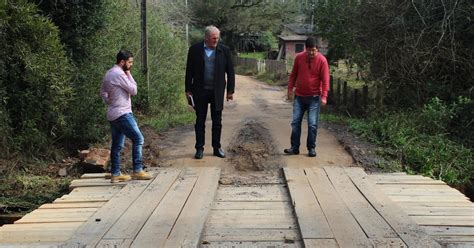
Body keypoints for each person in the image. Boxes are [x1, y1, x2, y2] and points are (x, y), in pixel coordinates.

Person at [100, 50, 153, 183]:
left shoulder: (109, 73)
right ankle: (137, 170)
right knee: (138, 139)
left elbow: (103, 92)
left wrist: (110, 102)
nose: (131, 65)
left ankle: (116, 174)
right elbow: (134, 90)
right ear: (122, 62)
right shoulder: (119, 74)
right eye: (130, 62)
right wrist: (128, 73)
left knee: (117, 145)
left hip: (113, 113)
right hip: (122, 113)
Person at [185, 25, 235, 159]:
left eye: (217, 38)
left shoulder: (224, 51)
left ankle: (216, 147)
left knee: (217, 121)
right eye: (213, 38)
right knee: (200, 121)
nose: (216, 41)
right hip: (200, 91)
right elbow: (189, 71)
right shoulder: (195, 50)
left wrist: (230, 91)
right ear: (206, 38)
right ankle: (199, 148)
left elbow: (230, 71)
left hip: (217, 92)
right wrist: (188, 90)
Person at [284, 37, 329, 157]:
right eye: (309, 50)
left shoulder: (322, 61)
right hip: (299, 96)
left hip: (314, 97)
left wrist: (324, 96)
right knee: (295, 122)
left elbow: (325, 80)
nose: (311, 53)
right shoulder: (299, 58)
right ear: (306, 48)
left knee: (312, 123)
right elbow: (293, 75)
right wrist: (290, 89)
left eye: (313, 50)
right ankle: (294, 147)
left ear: (317, 49)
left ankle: (311, 148)